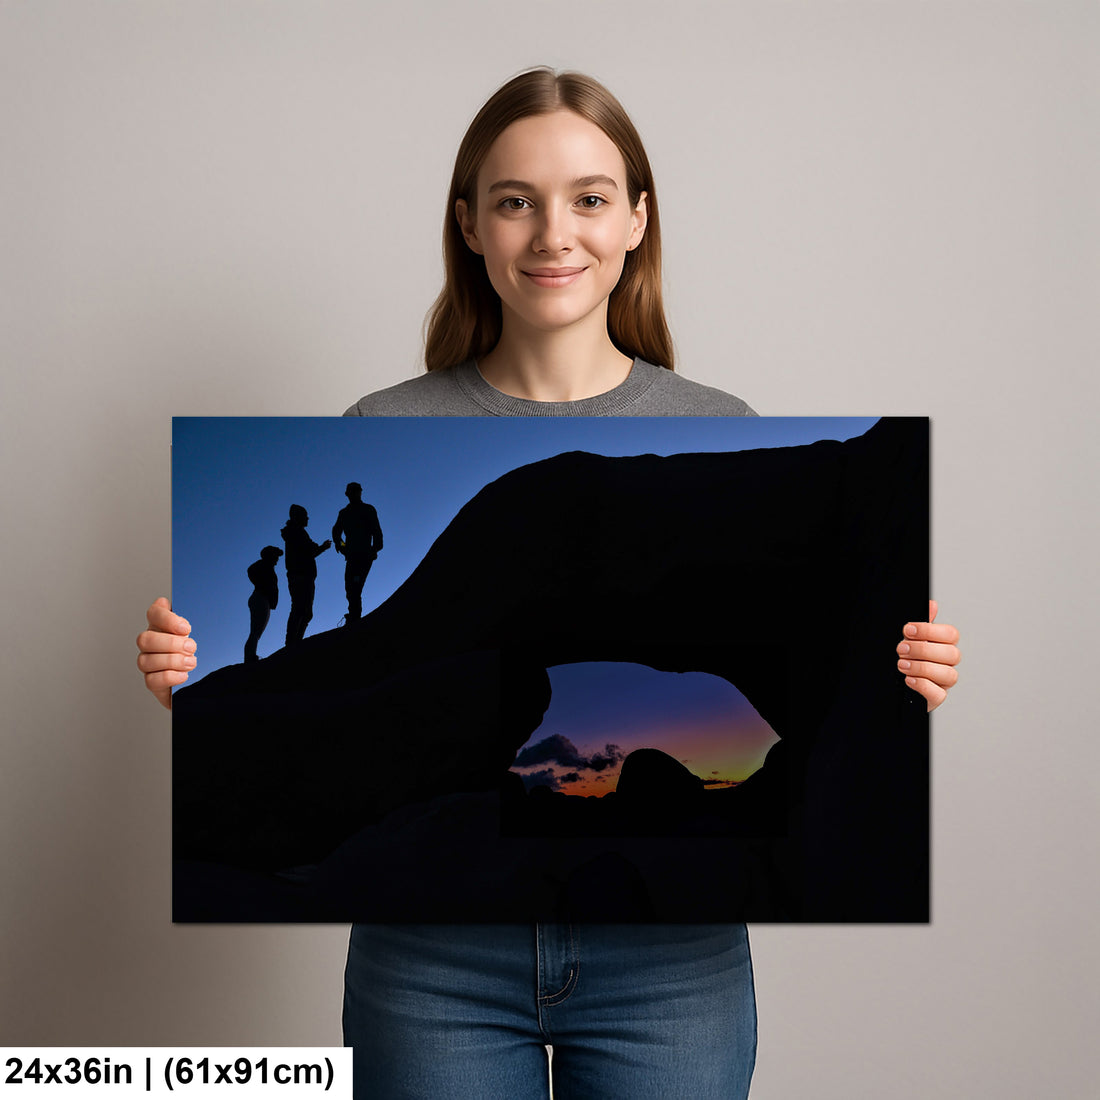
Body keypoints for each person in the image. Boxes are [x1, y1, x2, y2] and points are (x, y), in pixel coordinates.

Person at [137, 68, 961, 1099]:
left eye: (588, 197)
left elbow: (830, 667)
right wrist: (185, 676)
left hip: (671, 962)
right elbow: (335, 683)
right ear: (469, 224)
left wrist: (913, 665)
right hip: (431, 962)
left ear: (634, 221)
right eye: (514, 199)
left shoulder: (717, 420)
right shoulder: (382, 425)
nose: (551, 233)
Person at [331, 482, 383, 623]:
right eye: (351, 492)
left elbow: (377, 532)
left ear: (360, 492)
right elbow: (336, 533)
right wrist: (342, 547)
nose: (354, 494)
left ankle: (354, 618)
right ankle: (353, 616)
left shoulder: (368, 510)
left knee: (355, 586)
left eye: (356, 491)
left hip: (364, 555)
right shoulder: (344, 513)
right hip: (352, 556)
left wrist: (374, 549)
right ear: (347, 494)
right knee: (350, 587)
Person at [280, 504, 331, 645]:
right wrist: (322, 548)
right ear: (298, 517)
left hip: (301, 576)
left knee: (303, 611)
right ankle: (292, 643)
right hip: (301, 576)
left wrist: (320, 548)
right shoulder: (297, 533)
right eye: (305, 516)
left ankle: (294, 642)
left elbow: (311, 550)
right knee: (301, 610)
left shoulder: (296, 533)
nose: (308, 518)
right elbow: (311, 551)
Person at [243, 545, 282, 662]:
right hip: (261, 598)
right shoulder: (263, 565)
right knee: (256, 631)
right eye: (275, 555)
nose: (277, 559)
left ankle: (250, 656)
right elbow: (250, 570)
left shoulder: (266, 566)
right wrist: (261, 585)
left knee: (256, 632)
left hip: (262, 598)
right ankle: (250, 658)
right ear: (270, 555)